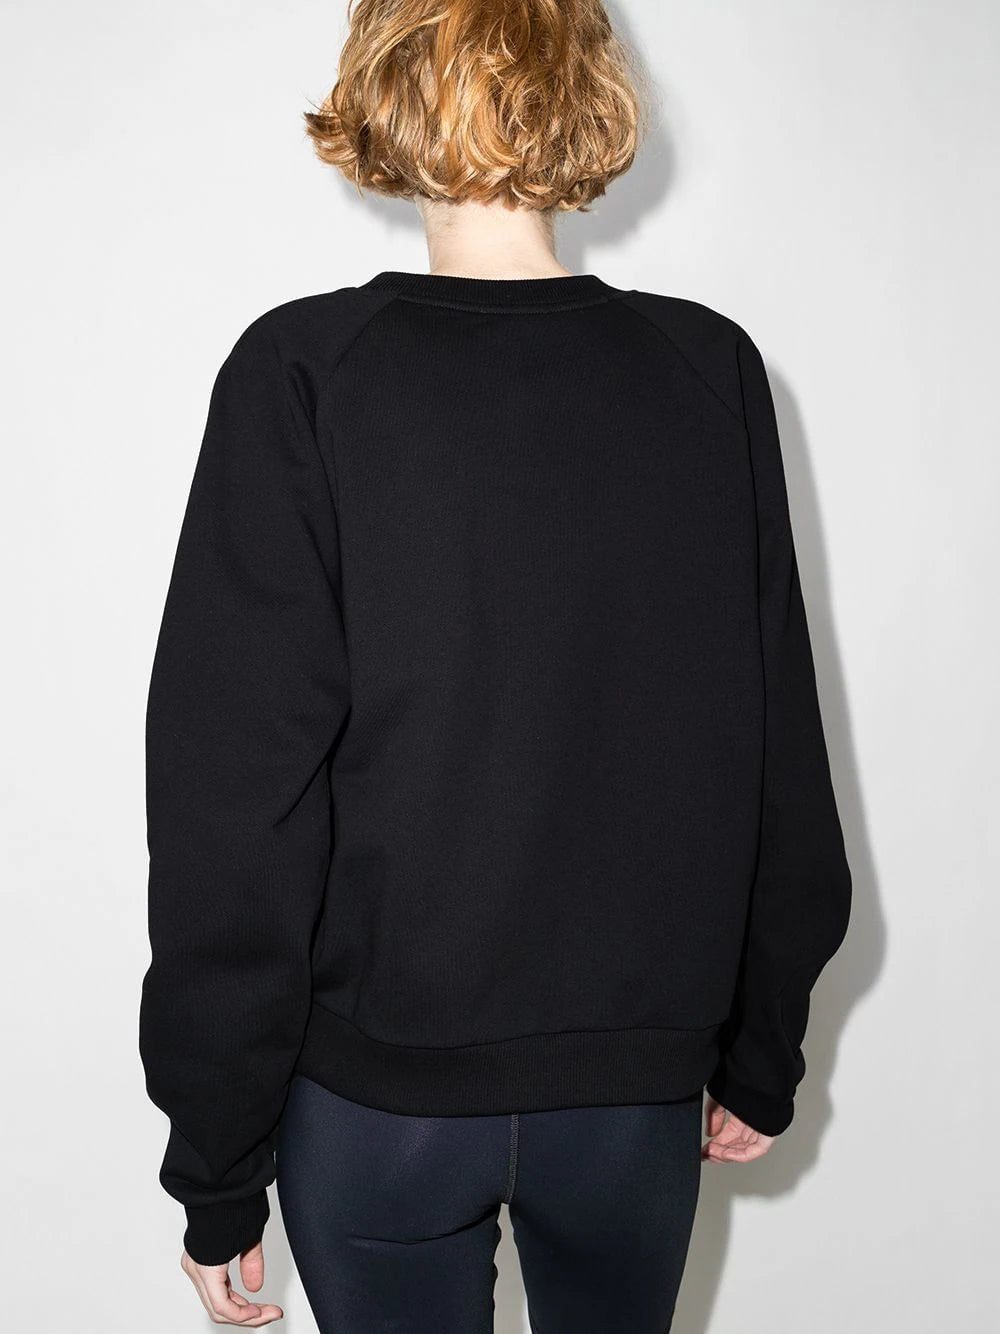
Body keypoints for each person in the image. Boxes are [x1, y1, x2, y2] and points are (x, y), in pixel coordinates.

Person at [138, 1, 852, 1329]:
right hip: (632, 1103)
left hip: (378, 1110)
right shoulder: (705, 371)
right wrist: (762, 1045)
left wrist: (217, 1162)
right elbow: (774, 750)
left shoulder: (305, 374)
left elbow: (234, 809)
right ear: (585, 90)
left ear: (386, 92)